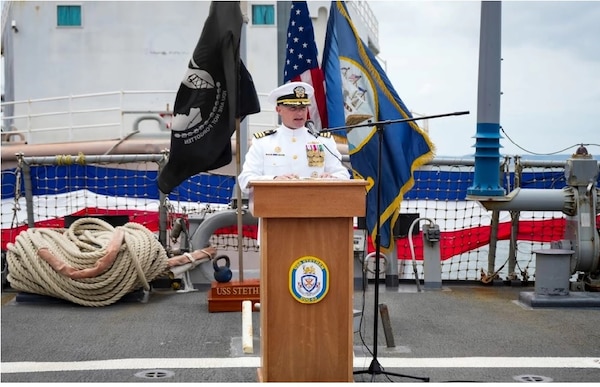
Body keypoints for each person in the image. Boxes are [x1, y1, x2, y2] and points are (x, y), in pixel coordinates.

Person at [238, 81, 350, 193]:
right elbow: (245, 179)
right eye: (293, 108)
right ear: (278, 110)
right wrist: (274, 180)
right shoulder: (263, 142)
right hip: (275, 205)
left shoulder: (322, 140)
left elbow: (343, 174)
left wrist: (332, 178)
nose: (300, 113)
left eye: (303, 108)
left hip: (316, 203)